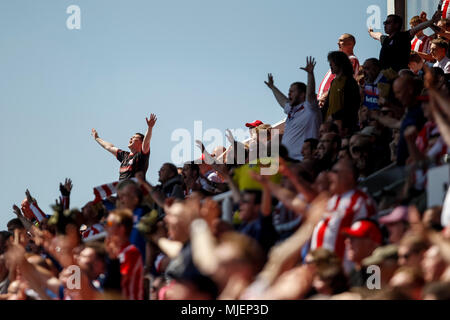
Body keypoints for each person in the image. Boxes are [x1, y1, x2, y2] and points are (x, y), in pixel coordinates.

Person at [310, 159, 377, 259]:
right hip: (320, 268)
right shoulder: (331, 200)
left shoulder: (361, 201)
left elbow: (371, 239)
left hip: (345, 270)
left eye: (335, 172)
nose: (330, 175)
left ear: (349, 176)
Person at [265, 56, 321, 161]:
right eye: (289, 91)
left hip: (303, 161)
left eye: (292, 91)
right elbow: (283, 101)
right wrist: (273, 87)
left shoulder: (310, 108)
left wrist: (310, 74)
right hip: (288, 162)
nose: (288, 93)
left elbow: (311, 94)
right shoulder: (292, 110)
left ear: (302, 95)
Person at [91, 113, 157, 180]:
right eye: (131, 137)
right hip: (123, 189)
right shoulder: (124, 155)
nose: (131, 138)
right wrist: (97, 138)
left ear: (141, 143)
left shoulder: (141, 156)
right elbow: (109, 147)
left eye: (134, 137)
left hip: (135, 189)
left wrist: (150, 127)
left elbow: (146, 141)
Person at [368, 11, 441, 71]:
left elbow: (417, 28)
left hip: (399, 77)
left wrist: (431, 21)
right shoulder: (385, 40)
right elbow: (377, 35)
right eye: (384, 23)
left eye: (388, 23)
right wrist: (371, 32)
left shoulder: (403, 36)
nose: (385, 25)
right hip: (385, 78)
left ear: (396, 25)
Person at [105, 209, 144, 300]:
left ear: (121, 229)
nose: (106, 227)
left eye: (109, 224)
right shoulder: (111, 254)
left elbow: (119, 282)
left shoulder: (131, 252)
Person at [317, 34, 360, 107]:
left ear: (350, 43)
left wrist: (326, 96)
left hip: (330, 101)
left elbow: (344, 81)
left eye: (341, 40)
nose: (338, 43)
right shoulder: (340, 61)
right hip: (323, 101)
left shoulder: (351, 60)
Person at [322, 51, 361, 130]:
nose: (330, 65)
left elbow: (352, 106)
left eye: (332, 63)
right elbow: (327, 104)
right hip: (328, 125)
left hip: (343, 127)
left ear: (339, 63)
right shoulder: (333, 82)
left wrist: (334, 116)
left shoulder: (350, 82)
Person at [342, 219, 383, 287]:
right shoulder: (353, 273)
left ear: (373, 243)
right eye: (348, 237)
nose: (347, 241)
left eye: (353, 238)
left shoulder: (378, 271)